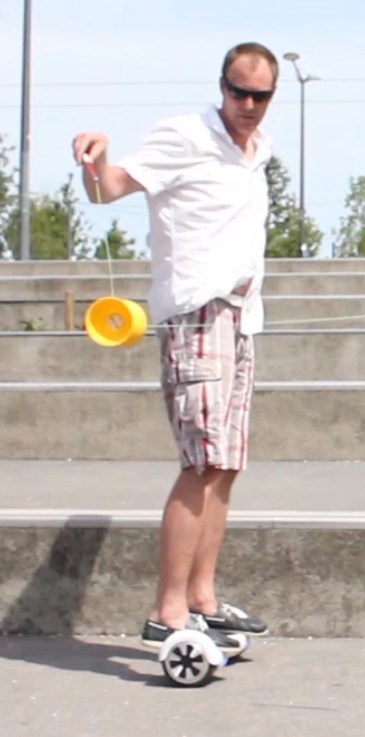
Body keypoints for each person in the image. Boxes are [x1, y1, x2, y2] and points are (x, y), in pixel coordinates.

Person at [72, 42, 278, 655]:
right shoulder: (184, 136)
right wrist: (98, 156)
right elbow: (108, 190)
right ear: (221, 87)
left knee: (227, 464)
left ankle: (202, 600)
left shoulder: (258, 150)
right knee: (201, 462)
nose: (248, 105)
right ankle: (168, 610)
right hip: (196, 315)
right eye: (238, 92)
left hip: (241, 317)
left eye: (260, 96)